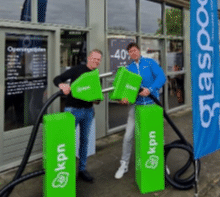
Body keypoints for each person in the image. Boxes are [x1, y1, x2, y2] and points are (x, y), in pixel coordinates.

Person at [114, 42, 166, 179]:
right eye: (130, 51)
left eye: (135, 50)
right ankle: (124, 164)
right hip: (136, 107)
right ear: (129, 54)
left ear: (139, 50)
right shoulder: (128, 69)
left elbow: (161, 77)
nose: (133, 53)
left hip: (151, 105)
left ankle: (161, 162)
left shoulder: (150, 63)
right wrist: (122, 99)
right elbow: (126, 90)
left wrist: (151, 89)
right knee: (128, 136)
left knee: (156, 136)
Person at [53, 49, 102, 183]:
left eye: (98, 60)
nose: (96, 61)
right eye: (94, 58)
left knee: (84, 141)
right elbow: (57, 79)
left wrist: (93, 98)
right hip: (72, 110)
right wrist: (62, 85)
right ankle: (64, 169)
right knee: (66, 141)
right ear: (88, 58)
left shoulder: (96, 76)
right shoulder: (77, 70)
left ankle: (82, 169)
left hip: (88, 112)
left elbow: (97, 100)